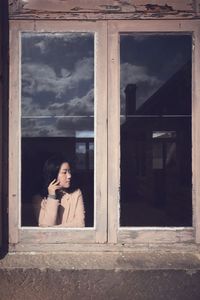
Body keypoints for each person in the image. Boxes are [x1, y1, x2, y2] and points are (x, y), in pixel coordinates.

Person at [38, 155, 85, 227]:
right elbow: (45, 228)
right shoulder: (45, 199)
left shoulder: (76, 193)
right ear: (54, 174)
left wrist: (54, 229)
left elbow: (80, 224)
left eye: (69, 171)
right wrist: (52, 197)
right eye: (64, 172)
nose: (69, 176)